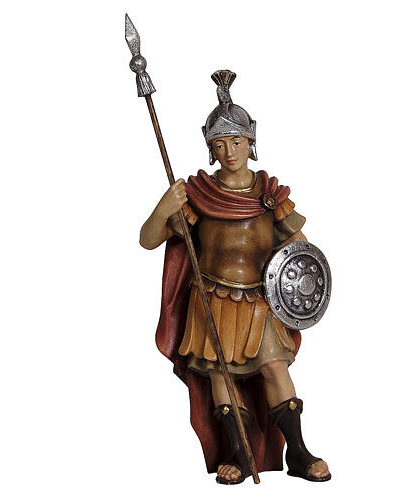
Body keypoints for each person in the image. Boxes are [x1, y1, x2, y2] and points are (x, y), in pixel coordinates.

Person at [139, 70, 330, 484]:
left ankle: (298, 452)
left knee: (275, 369)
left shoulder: (269, 194)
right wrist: (164, 207)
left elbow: (301, 250)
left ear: (251, 141)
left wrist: (303, 286)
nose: (230, 151)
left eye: (237, 142)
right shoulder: (199, 195)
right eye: (220, 144)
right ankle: (238, 454)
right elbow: (148, 239)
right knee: (219, 376)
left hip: (260, 301)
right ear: (210, 148)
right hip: (212, 299)